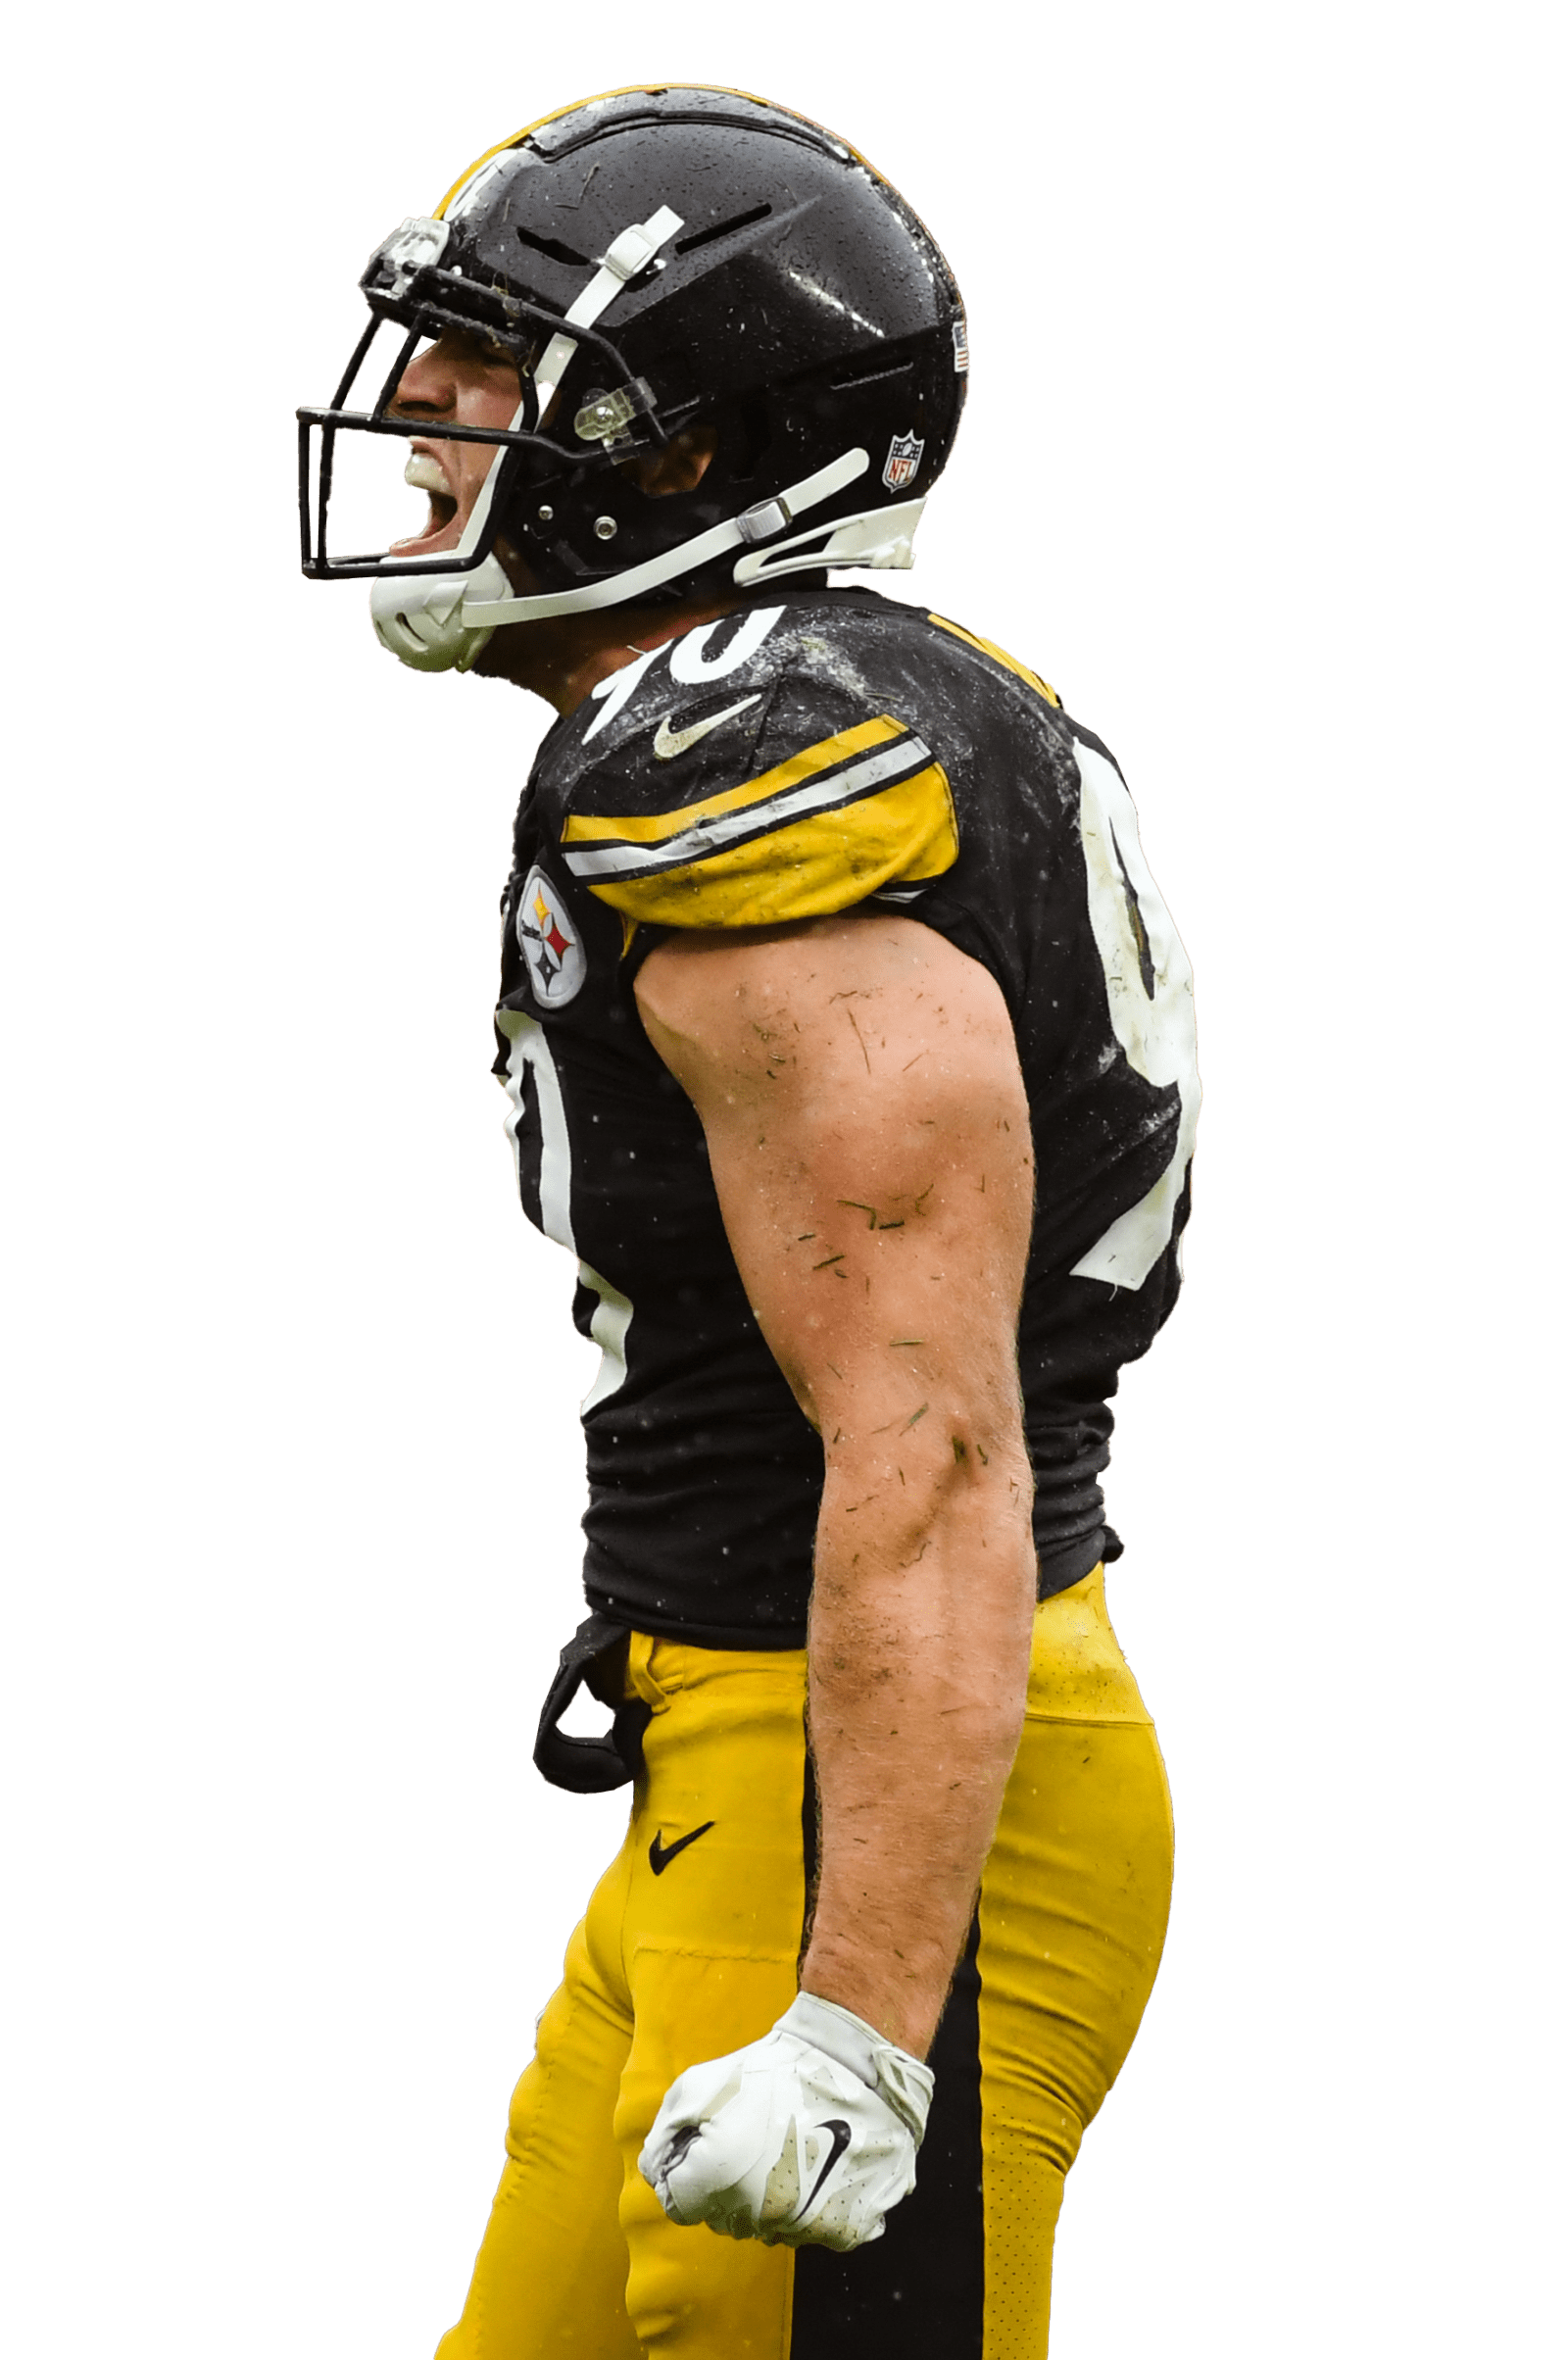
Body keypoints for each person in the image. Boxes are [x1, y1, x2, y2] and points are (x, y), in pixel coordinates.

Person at [299, 82, 1200, 2360]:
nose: (422, 409)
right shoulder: (838, 705)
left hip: (868, 1789)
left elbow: (929, 1439)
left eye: (492, 362)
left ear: (681, 443)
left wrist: (862, 2025)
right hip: (742, 1757)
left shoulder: (745, 777)